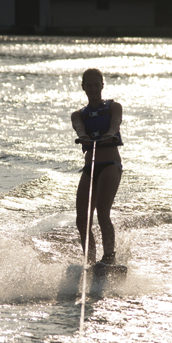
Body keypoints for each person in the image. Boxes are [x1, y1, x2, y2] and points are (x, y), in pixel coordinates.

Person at [71, 68, 123, 266]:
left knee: (102, 213)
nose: (93, 88)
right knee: (81, 220)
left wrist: (110, 132)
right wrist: (83, 136)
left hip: (110, 165)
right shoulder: (78, 114)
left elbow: (116, 123)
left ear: (103, 85)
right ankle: (90, 263)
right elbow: (79, 127)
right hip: (90, 168)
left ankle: (109, 258)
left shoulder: (114, 107)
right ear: (83, 87)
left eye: (96, 84)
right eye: (88, 85)